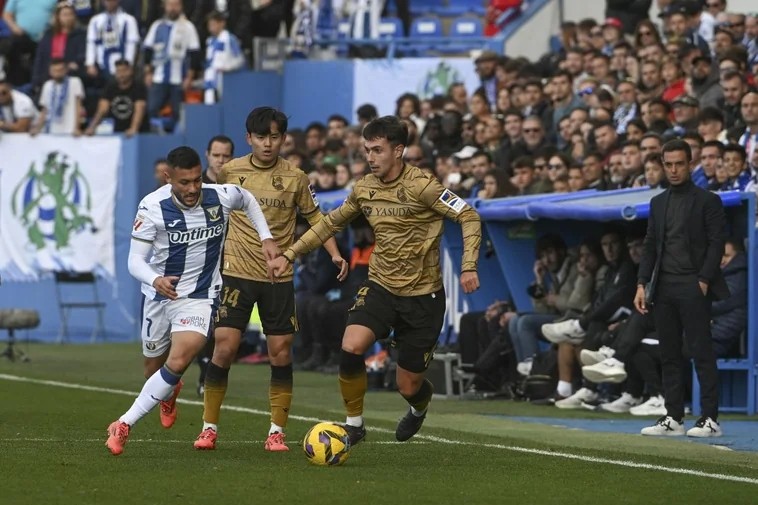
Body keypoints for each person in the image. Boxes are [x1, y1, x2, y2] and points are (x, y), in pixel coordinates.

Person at [269, 116, 482, 445]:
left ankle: (418, 408)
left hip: (423, 296)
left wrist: (469, 266)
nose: (370, 157)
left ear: (398, 151)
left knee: (408, 385)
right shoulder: (364, 188)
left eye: (377, 150)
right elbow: (330, 223)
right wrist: (290, 253)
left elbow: (468, 214)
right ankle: (354, 424)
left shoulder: (423, 186)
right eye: (367, 150)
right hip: (381, 284)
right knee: (351, 345)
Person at [105, 146, 279, 456]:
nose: (193, 189)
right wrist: (155, 279)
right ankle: (169, 392)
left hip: (199, 296)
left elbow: (247, 199)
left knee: (182, 357)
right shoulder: (151, 208)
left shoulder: (219, 196)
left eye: (197, 180)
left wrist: (265, 236)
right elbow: (134, 261)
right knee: (153, 368)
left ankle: (123, 424)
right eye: (184, 182)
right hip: (159, 295)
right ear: (167, 177)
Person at [194, 107, 348, 452]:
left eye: (275, 136)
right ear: (249, 139)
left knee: (280, 353)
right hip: (235, 272)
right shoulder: (230, 172)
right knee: (225, 346)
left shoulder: (295, 177)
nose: (268, 143)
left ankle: (276, 431)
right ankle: (208, 427)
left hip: (278, 276)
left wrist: (335, 253)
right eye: (261, 137)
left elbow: (316, 219)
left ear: (283, 138)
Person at [635, 139, 728, 438]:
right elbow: (650, 245)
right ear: (663, 165)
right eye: (668, 164)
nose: (674, 170)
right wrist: (641, 282)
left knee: (701, 351)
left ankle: (711, 419)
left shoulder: (708, 200)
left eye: (679, 163)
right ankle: (673, 416)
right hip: (663, 287)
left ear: (690, 164)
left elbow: (717, 244)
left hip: (693, 284)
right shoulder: (657, 202)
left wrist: (702, 279)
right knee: (669, 353)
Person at [84, 59, 147, 135]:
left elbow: (139, 109)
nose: (121, 74)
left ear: (131, 71)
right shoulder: (111, 87)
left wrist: (134, 128)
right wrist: (92, 127)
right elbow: (102, 109)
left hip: (140, 133)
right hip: (118, 132)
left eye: (124, 71)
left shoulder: (138, 87)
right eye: (118, 71)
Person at [31, 59, 85, 136]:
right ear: (50, 71)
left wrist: (77, 128)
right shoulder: (47, 85)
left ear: (66, 70)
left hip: (70, 130)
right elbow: (44, 110)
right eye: (54, 70)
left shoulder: (75, 82)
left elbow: (78, 106)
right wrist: (37, 128)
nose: (57, 73)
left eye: (60, 70)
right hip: (51, 130)